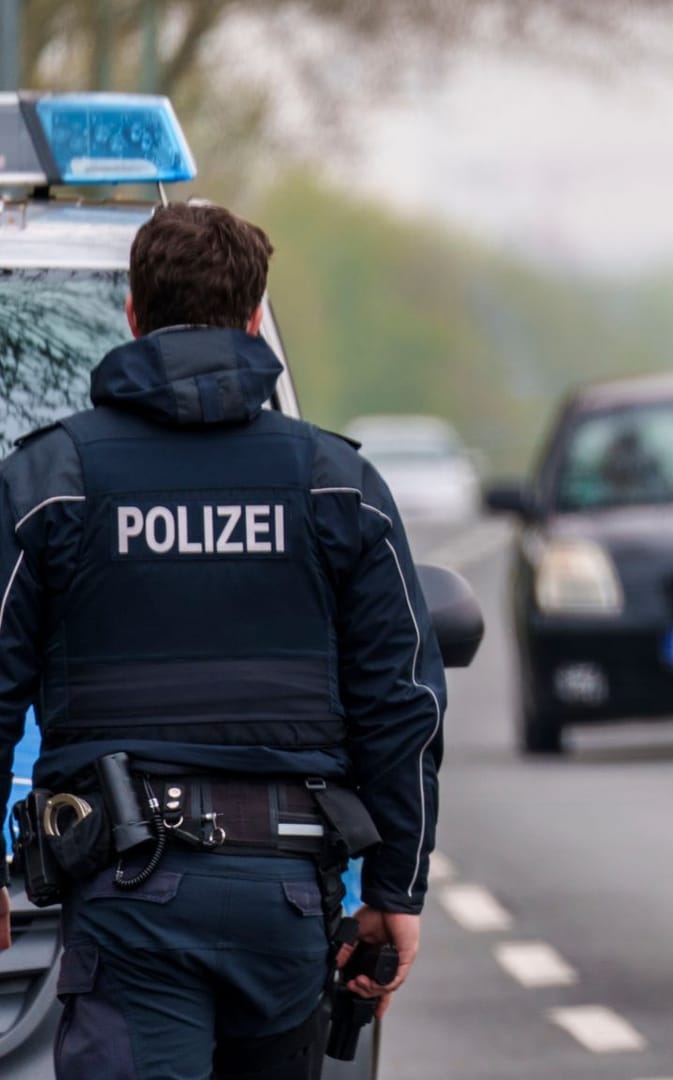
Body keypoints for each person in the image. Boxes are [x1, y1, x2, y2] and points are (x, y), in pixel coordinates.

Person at [0, 204, 446, 1079]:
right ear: (254, 316)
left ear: (133, 314)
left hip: (129, 901)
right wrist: (395, 890)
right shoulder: (338, 487)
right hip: (284, 902)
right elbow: (403, 703)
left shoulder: (50, 480)